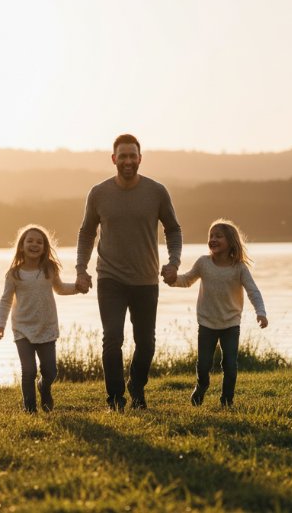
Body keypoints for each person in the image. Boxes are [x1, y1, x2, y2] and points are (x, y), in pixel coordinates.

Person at [75, 133, 182, 411]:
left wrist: (174, 262)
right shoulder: (98, 193)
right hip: (109, 277)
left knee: (146, 342)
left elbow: (173, 229)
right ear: (113, 159)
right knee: (112, 338)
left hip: (146, 279)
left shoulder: (156, 192)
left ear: (140, 159)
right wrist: (81, 269)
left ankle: (136, 385)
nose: (127, 161)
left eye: (132, 155)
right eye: (122, 156)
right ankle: (115, 398)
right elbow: (87, 232)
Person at [168, 219, 267, 407]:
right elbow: (188, 280)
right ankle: (202, 385)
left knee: (230, 365)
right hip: (206, 323)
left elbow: (253, 291)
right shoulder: (203, 263)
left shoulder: (239, 268)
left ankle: (227, 399)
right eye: (211, 236)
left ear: (231, 241)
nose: (213, 239)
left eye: (218, 236)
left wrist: (260, 312)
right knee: (204, 364)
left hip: (231, 324)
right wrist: (172, 280)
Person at [0, 224, 80, 413]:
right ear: (22, 246)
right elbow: (5, 300)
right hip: (22, 328)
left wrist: (78, 287)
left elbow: (60, 289)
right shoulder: (14, 274)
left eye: (39, 242)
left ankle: (44, 387)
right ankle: (30, 409)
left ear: (45, 247)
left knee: (50, 371)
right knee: (29, 371)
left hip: (46, 327)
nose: (35, 245)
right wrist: (0, 324)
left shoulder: (49, 269)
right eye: (30, 241)